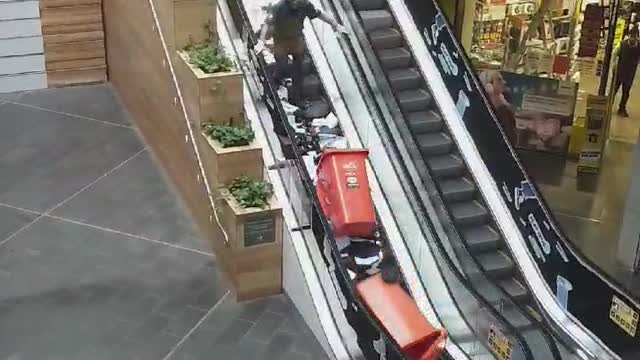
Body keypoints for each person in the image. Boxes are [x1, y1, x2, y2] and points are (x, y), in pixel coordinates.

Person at [256, 0, 347, 107]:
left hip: (296, 39)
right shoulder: (279, 7)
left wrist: (336, 25)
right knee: (282, 65)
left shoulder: (305, 5)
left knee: (298, 70)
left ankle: (296, 98)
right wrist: (261, 42)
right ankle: (273, 82)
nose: (295, 3)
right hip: (281, 40)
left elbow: (319, 14)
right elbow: (267, 23)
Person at [478, 70, 517, 144]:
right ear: (489, 86)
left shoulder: (504, 106)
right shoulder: (482, 111)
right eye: (499, 80)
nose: (504, 82)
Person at [613, 26, 640, 117]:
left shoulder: (639, 47)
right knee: (614, 90)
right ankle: (608, 105)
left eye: (634, 36)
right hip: (619, 71)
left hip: (630, 73)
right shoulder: (622, 44)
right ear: (629, 36)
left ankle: (622, 108)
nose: (632, 38)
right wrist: (613, 64)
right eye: (631, 36)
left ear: (637, 37)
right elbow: (615, 54)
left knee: (626, 92)